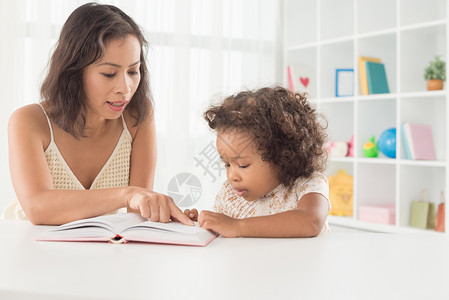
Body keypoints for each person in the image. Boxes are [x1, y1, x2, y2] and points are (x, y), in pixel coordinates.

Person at [2, 3, 192, 226]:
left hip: (105, 250)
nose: (126, 88)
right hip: (33, 249)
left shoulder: (137, 115)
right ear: (73, 72)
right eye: (109, 73)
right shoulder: (29, 121)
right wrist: (127, 194)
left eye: (133, 71)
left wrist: (167, 215)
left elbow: (136, 214)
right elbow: (38, 209)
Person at [185, 86, 330, 237]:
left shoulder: (307, 185)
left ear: (281, 156)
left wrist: (237, 226)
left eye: (243, 165)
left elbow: (310, 222)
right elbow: (224, 232)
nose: (232, 176)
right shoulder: (229, 196)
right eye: (227, 164)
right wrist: (203, 225)